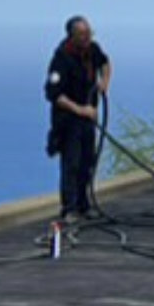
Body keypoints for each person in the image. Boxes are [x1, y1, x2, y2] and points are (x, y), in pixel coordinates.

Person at [44, 15, 111, 220]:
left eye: (89, 33)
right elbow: (55, 95)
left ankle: (84, 205)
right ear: (72, 36)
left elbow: (105, 63)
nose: (87, 37)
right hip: (69, 121)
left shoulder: (93, 50)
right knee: (71, 164)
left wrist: (104, 82)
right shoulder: (61, 59)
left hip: (88, 119)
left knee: (87, 162)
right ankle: (69, 208)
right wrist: (81, 110)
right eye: (82, 34)